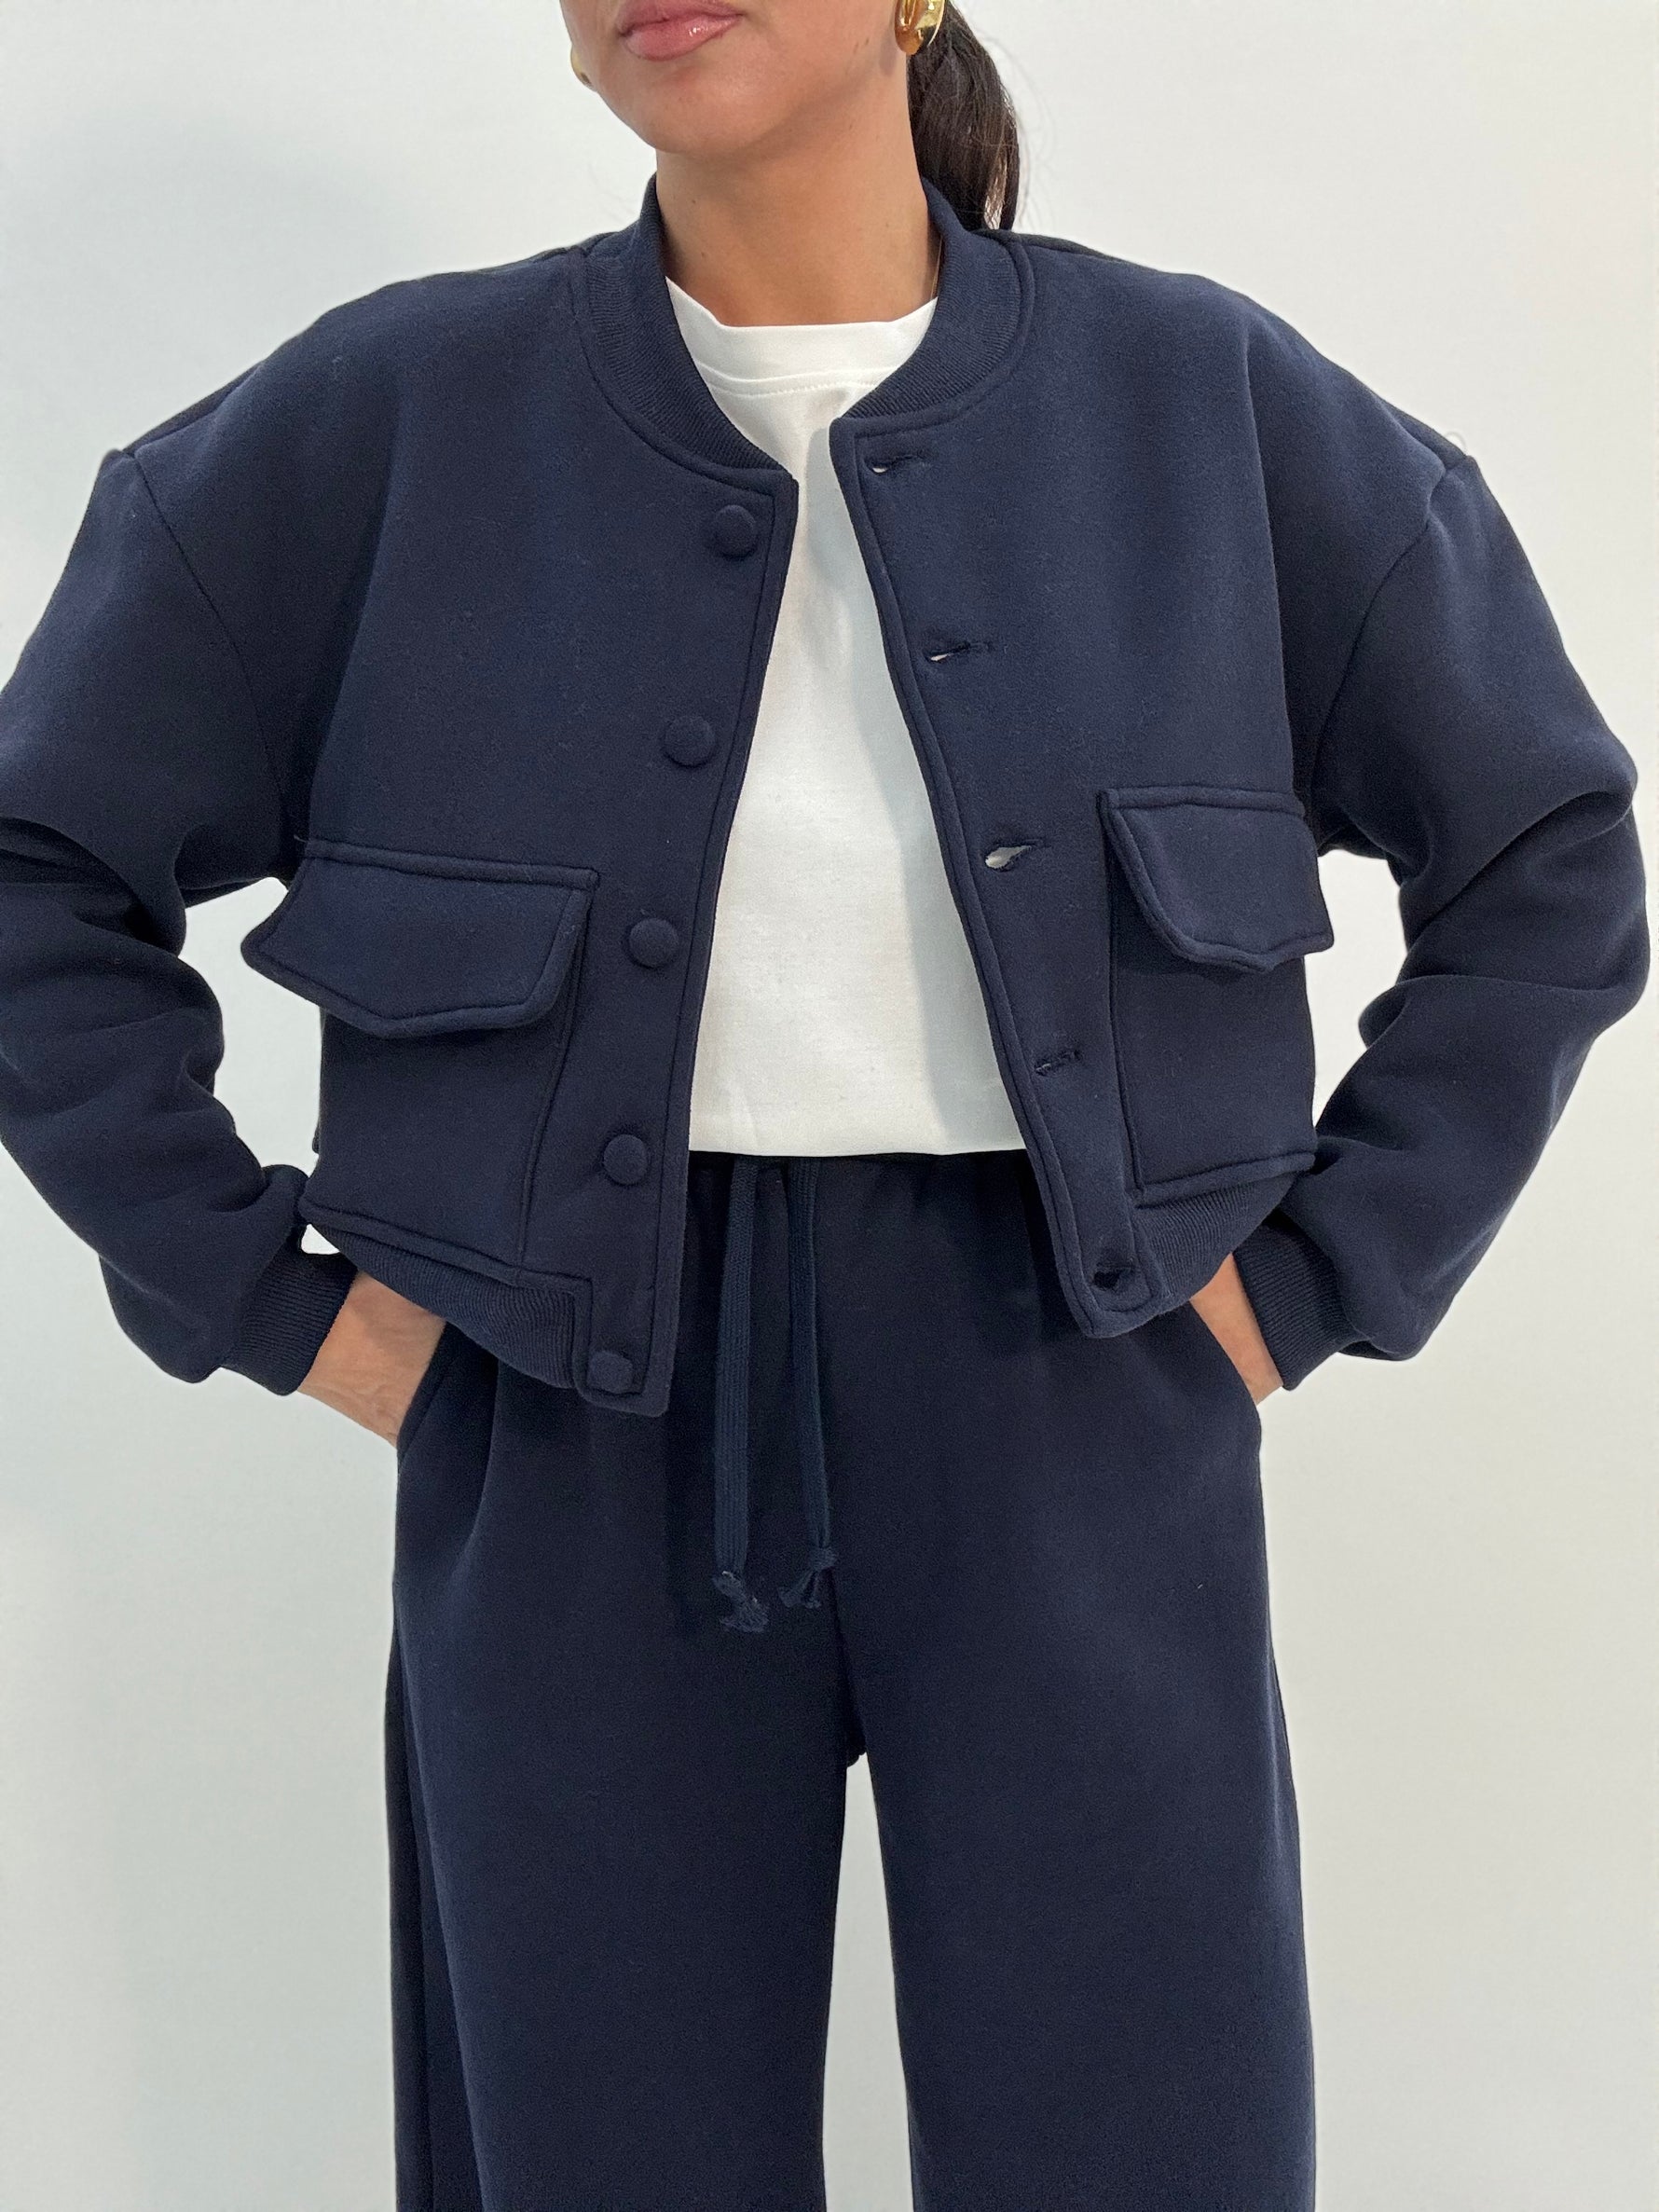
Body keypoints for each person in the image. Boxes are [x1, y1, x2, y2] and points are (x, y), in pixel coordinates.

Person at [0, 2, 1646, 2205]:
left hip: (1079, 1374)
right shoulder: (383, 421)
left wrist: (1316, 1273)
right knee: (590, 2151)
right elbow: (37, 867)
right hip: (567, 1401)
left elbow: (1542, 852)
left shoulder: (1207, 408)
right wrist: (274, 1301)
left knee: (1140, 2143)